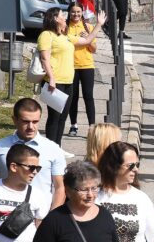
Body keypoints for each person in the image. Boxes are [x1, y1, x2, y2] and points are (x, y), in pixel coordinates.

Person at [38, 8, 106, 147]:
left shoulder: (65, 36)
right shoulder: (46, 35)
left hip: (68, 81)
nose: (65, 17)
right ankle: (51, 148)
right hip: (55, 82)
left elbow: (87, 40)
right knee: (54, 117)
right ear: (55, 18)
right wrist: (51, 78)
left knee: (63, 117)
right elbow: (44, 58)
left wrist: (99, 24)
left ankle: (57, 147)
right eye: (62, 15)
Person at [0, 98, 66, 210]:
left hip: (40, 218)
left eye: (35, 122)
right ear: (14, 120)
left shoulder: (53, 149)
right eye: (26, 122)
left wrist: (52, 218)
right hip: (4, 217)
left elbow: (60, 188)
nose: (31, 127)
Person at [66, 3, 98, 137]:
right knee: (72, 97)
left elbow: (94, 49)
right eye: (73, 12)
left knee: (88, 96)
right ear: (69, 13)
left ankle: (92, 127)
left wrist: (88, 39)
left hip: (87, 66)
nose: (76, 15)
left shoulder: (89, 27)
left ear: (82, 13)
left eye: (78, 12)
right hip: (70, 66)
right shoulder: (65, 28)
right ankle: (73, 125)